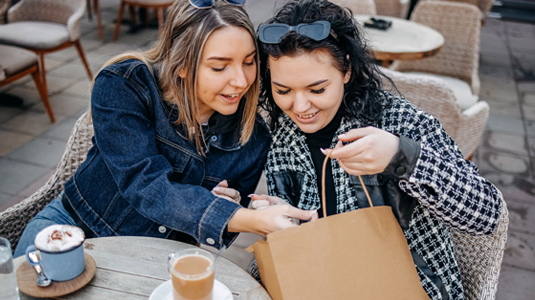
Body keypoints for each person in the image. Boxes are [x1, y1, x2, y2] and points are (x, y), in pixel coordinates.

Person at [14, 0, 317, 257]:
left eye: (249, 62)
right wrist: (246, 219)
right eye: (219, 67)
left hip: (156, 257)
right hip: (73, 230)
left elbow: (220, 236)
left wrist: (231, 206)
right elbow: (144, 184)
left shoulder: (253, 136)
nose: (240, 81)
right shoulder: (125, 84)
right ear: (181, 63)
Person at [249, 1, 503, 299]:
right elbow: (304, 227)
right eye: (283, 91)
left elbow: (486, 214)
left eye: (317, 90)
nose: (300, 107)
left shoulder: (398, 121)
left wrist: (401, 157)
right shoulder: (284, 134)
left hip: (409, 286)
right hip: (327, 282)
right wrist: (276, 215)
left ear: (347, 70)